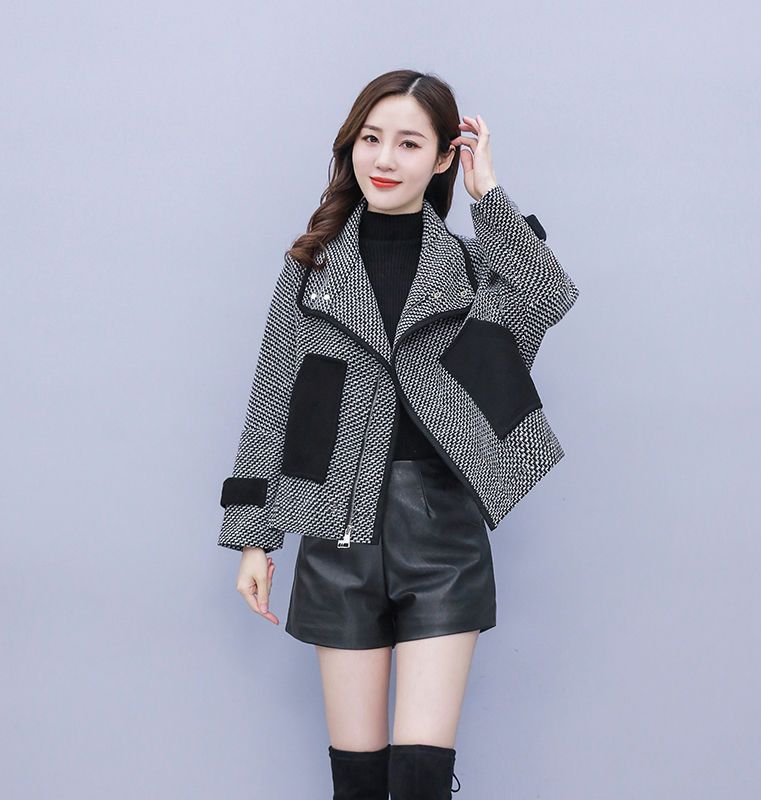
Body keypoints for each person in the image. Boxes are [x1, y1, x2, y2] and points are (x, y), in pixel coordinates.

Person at [219, 69, 579, 799]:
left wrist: (488, 196)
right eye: (371, 138)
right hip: (335, 526)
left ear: (444, 157)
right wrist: (255, 537)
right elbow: (272, 399)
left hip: (443, 532)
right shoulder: (310, 268)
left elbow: (546, 292)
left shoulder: (472, 268)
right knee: (356, 781)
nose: (384, 159)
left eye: (409, 143)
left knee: (420, 777)